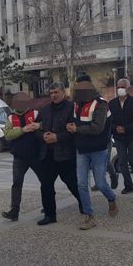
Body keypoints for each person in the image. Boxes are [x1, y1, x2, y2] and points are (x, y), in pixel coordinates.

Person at [68, 78, 119, 230]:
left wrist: (76, 129)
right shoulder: (77, 104)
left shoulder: (101, 104)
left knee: (101, 183)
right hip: (82, 150)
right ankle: (89, 215)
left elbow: (98, 128)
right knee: (82, 184)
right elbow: (74, 120)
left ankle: (111, 198)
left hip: (98, 149)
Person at [35, 82, 84, 226]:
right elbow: (36, 128)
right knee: (46, 185)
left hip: (65, 154)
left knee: (72, 183)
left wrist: (58, 137)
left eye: (56, 92)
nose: (53, 95)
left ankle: (84, 204)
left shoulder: (72, 108)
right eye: (51, 93)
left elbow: (74, 130)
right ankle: (50, 215)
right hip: (47, 154)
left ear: (63, 92)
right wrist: (42, 136)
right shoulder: (44, 110)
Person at [1, 92, 43, 221]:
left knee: (45, 181)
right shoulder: (10, 118)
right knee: (17, 184)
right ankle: (14, 211)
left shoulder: (35, 114)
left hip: (36, 155)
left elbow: (46, 124)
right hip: (19, 157)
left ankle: (48, 206)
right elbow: (7, 135)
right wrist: (23, 130)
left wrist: (39, 125)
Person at [109, 78, 133, 194]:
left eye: (123, 87)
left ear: (128, 88)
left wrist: (126, 128)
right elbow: (108, 120)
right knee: (122, 162)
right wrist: (115, 128)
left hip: (132, 136)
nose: (120, 89)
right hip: (118, 137)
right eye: (119, 87)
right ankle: (128, 185)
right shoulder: (112, 103)